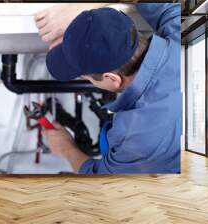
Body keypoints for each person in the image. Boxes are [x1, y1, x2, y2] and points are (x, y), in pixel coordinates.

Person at [35, 3, 182, 174]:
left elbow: (101, 182)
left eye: (85, 77)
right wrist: (78, 8)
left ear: (112, 79)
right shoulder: (180, 28)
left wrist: (65, 147)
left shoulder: (138, 142)